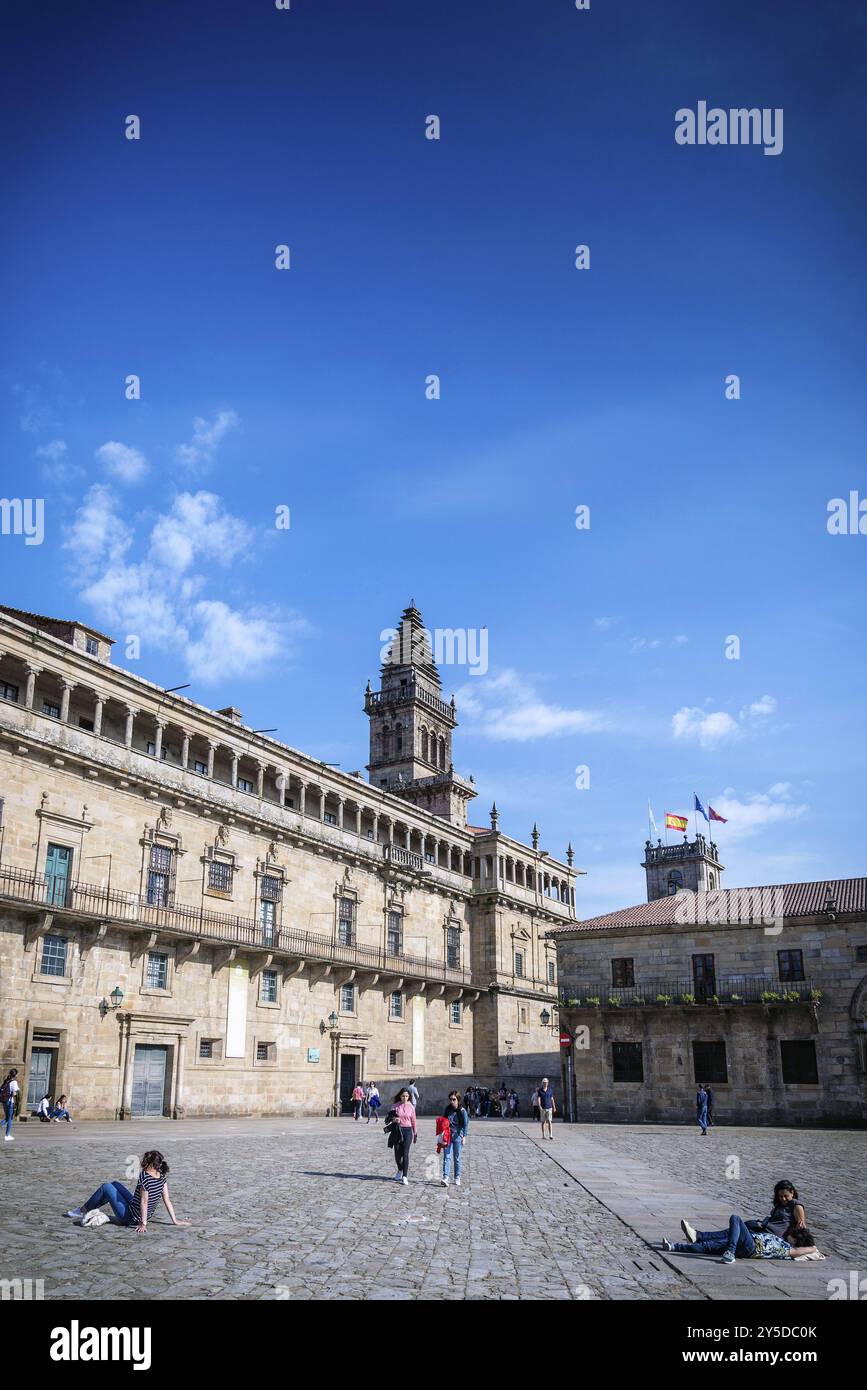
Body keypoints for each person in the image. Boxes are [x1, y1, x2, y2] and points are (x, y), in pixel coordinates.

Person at [64, 1149, 190, 1234]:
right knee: (115, 1184)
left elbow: (144, 1202)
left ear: (150, 1164)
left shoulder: (145, 1176)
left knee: (106, 1187)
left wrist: (143, 1224)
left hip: (130, 1217)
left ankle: (82, 1210)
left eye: (145, 1160)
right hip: (136, 1209)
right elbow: (167, 1199)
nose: (142, 1162)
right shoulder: (161, 1176)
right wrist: (175, 1220)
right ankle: (90, 1207)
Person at [674, 1181, 808, 1252]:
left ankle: (699, 1237)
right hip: (760, 1227)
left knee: (729, 1235)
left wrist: (804, 1242)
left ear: (792, 1193)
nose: (783, 1198)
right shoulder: (780, 1206)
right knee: (729, 1233)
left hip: (767, 1235)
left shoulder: (795, 1204)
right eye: (780, 1196)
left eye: (786, 1196)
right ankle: (698, 1236)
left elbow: (801, 1226)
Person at [664, 1216, 818, 1263]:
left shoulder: (788, 1249)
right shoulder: (784, 1244)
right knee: (709, 1247)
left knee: (735, 1219)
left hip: (751, 1246)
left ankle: (730, 1252)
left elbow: (803, 1250)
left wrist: (813, 1248)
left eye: (792, 1234)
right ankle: (674, 1247)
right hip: (746, 1248)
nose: (788, 1233)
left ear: (795, 1240)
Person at [387, 1088, 417, 1185]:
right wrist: (394, 1119)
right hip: (397, 1131)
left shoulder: (411, 1107)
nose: (405, 1098)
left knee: (405, 1153)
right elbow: (389, 1118)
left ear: (409, 1097)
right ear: (400, 1096)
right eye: (403, 1096)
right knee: (397, 1155)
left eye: (407, 1096)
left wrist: (415, 1133)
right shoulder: (395, 1106)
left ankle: (405, 1176)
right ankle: (400, 1169)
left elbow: (413, 1121)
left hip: (408, 1131)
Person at [440, 1090, 469, 1188]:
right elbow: (443, 1121)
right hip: (448, 1136)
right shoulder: (448, 1109)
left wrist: (464, 1137)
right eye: (451, 1099)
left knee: (457, 1158)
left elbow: (465, 1125)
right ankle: (446, 1177)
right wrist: (442, 1133)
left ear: (458, 1100)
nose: (452, 1101)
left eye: (454, 1099)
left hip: (458, 1136)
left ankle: (457, 1176)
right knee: (447, 1157)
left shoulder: (462, 1111)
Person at [1, 1068, 20, 1141]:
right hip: (9, 1102)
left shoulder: (6, 1081)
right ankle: (7, 1135)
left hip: (4, 1101)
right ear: (15, 1075)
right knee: (10, 1119)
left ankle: (7, 1135)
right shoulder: (14, 1082)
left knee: (7, 1118)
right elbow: (14, 1093)